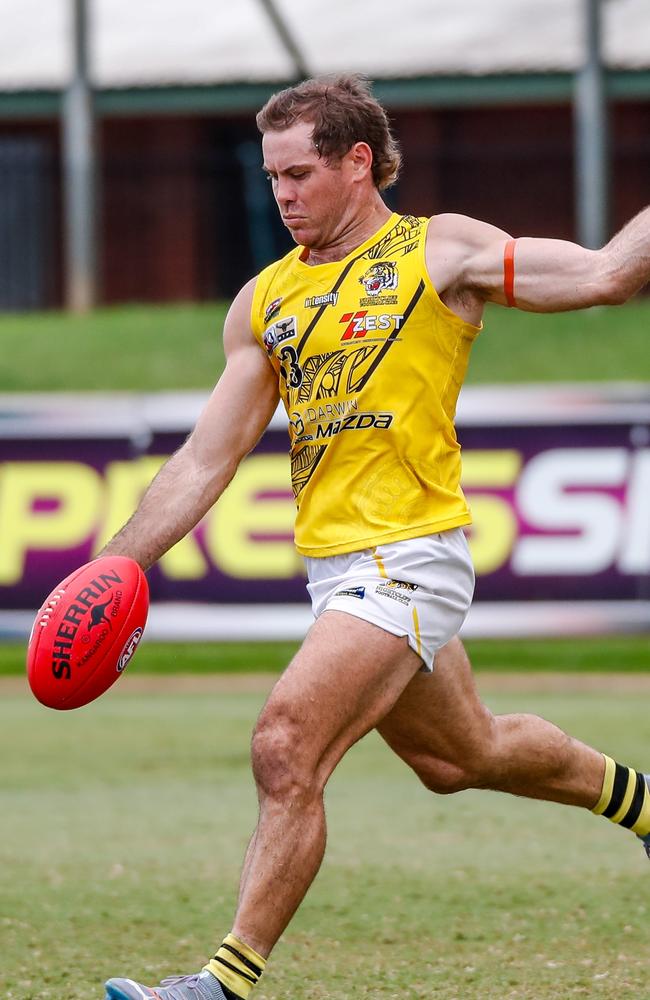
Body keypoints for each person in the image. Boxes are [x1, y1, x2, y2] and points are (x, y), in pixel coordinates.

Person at [103, 75, 650, 1000]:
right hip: (337, 569)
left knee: (285, 744)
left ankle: (220, 984)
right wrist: (112, 565)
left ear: (359, 163)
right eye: (271, 175)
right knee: (459, 757)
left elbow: (606, 274)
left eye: (300, 173)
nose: (282, 194)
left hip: (413, 557)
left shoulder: (441, 253)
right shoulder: (263, 302)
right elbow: (205, 458)